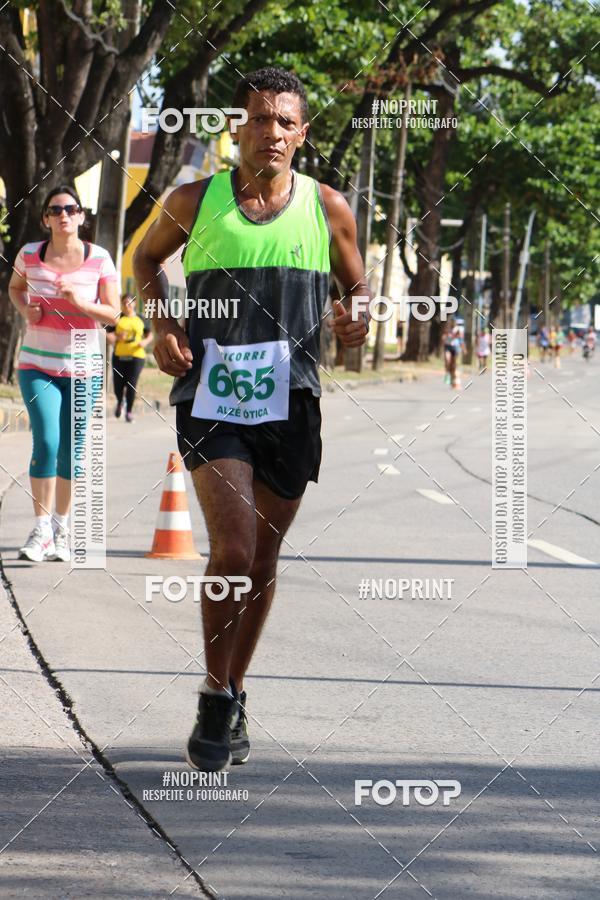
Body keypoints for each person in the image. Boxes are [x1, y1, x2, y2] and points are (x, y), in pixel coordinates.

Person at [133, 67, 369, 772]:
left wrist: (354, 313)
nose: (271, 132)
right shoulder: (192, 200)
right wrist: (162, 321)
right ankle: (214, 691)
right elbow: (144, 259)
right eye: (259, 119)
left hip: (293, 399)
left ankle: (234, 687)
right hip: (212, 395)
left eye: (284, 122)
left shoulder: (328, 208)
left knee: (263, 560)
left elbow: (355, 280)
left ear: (302, 134)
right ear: (237, 129)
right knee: (232, 551)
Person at [8, 185, 119, 562]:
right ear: (45, 219)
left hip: (85, 370)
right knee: (48, 442)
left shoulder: (99, 259)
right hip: (37, 365)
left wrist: (79, 302)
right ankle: (40, 531)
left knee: (73, 451)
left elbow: (113, 313)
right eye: (55, 210)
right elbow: (14, 288)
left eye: (71, 209)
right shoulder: (29, 255)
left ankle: (61, 527)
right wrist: (26, 311)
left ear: (81, 217)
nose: (63, 215)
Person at [106, 293, 152, 422]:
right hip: (119, 355)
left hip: (136, 356)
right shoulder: (117, 318)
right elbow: (107, 334)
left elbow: (150, 335)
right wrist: (115, 337)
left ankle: (129, 412)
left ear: (134, 303)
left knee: (131, 384)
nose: (127, 305)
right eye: (125, 302)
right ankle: (120, 402)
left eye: (130, 302)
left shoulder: (141, 318)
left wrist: (144, 342)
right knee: (118, 384)